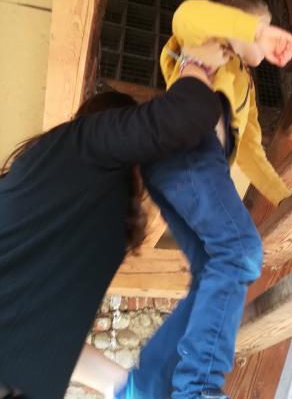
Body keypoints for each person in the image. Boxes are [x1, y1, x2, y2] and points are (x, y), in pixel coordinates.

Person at [0, 57, 226, 399]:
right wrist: (195, 60)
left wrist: (125, 386)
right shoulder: (86, 143)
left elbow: (41, 337)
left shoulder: (73, 205)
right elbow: (190, 113)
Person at [117, 0, 292, 399]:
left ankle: (146, 385)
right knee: (240, 251)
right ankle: (197, 388)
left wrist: (286, 197)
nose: (264, 38)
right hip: (186, 150)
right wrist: (256, 31)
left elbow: (251, 154)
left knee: (210, 273)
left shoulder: (245, 86)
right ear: (234, 22)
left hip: (190, 167)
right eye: (259, 27)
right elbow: (188, 13)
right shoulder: (200, 42)